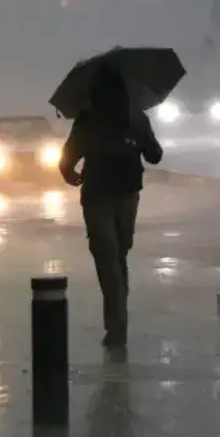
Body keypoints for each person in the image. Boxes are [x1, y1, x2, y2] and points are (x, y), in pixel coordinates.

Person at [59, 63, 163, 347]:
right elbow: (155, 155)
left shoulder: (87, 119)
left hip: (96, 194)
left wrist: (71, 175)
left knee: (107, 258)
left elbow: (67, 160)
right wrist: (136, 140)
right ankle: (118, 319)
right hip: (127, 192)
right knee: (119, 255)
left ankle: (117, 323)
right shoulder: (135, 117)